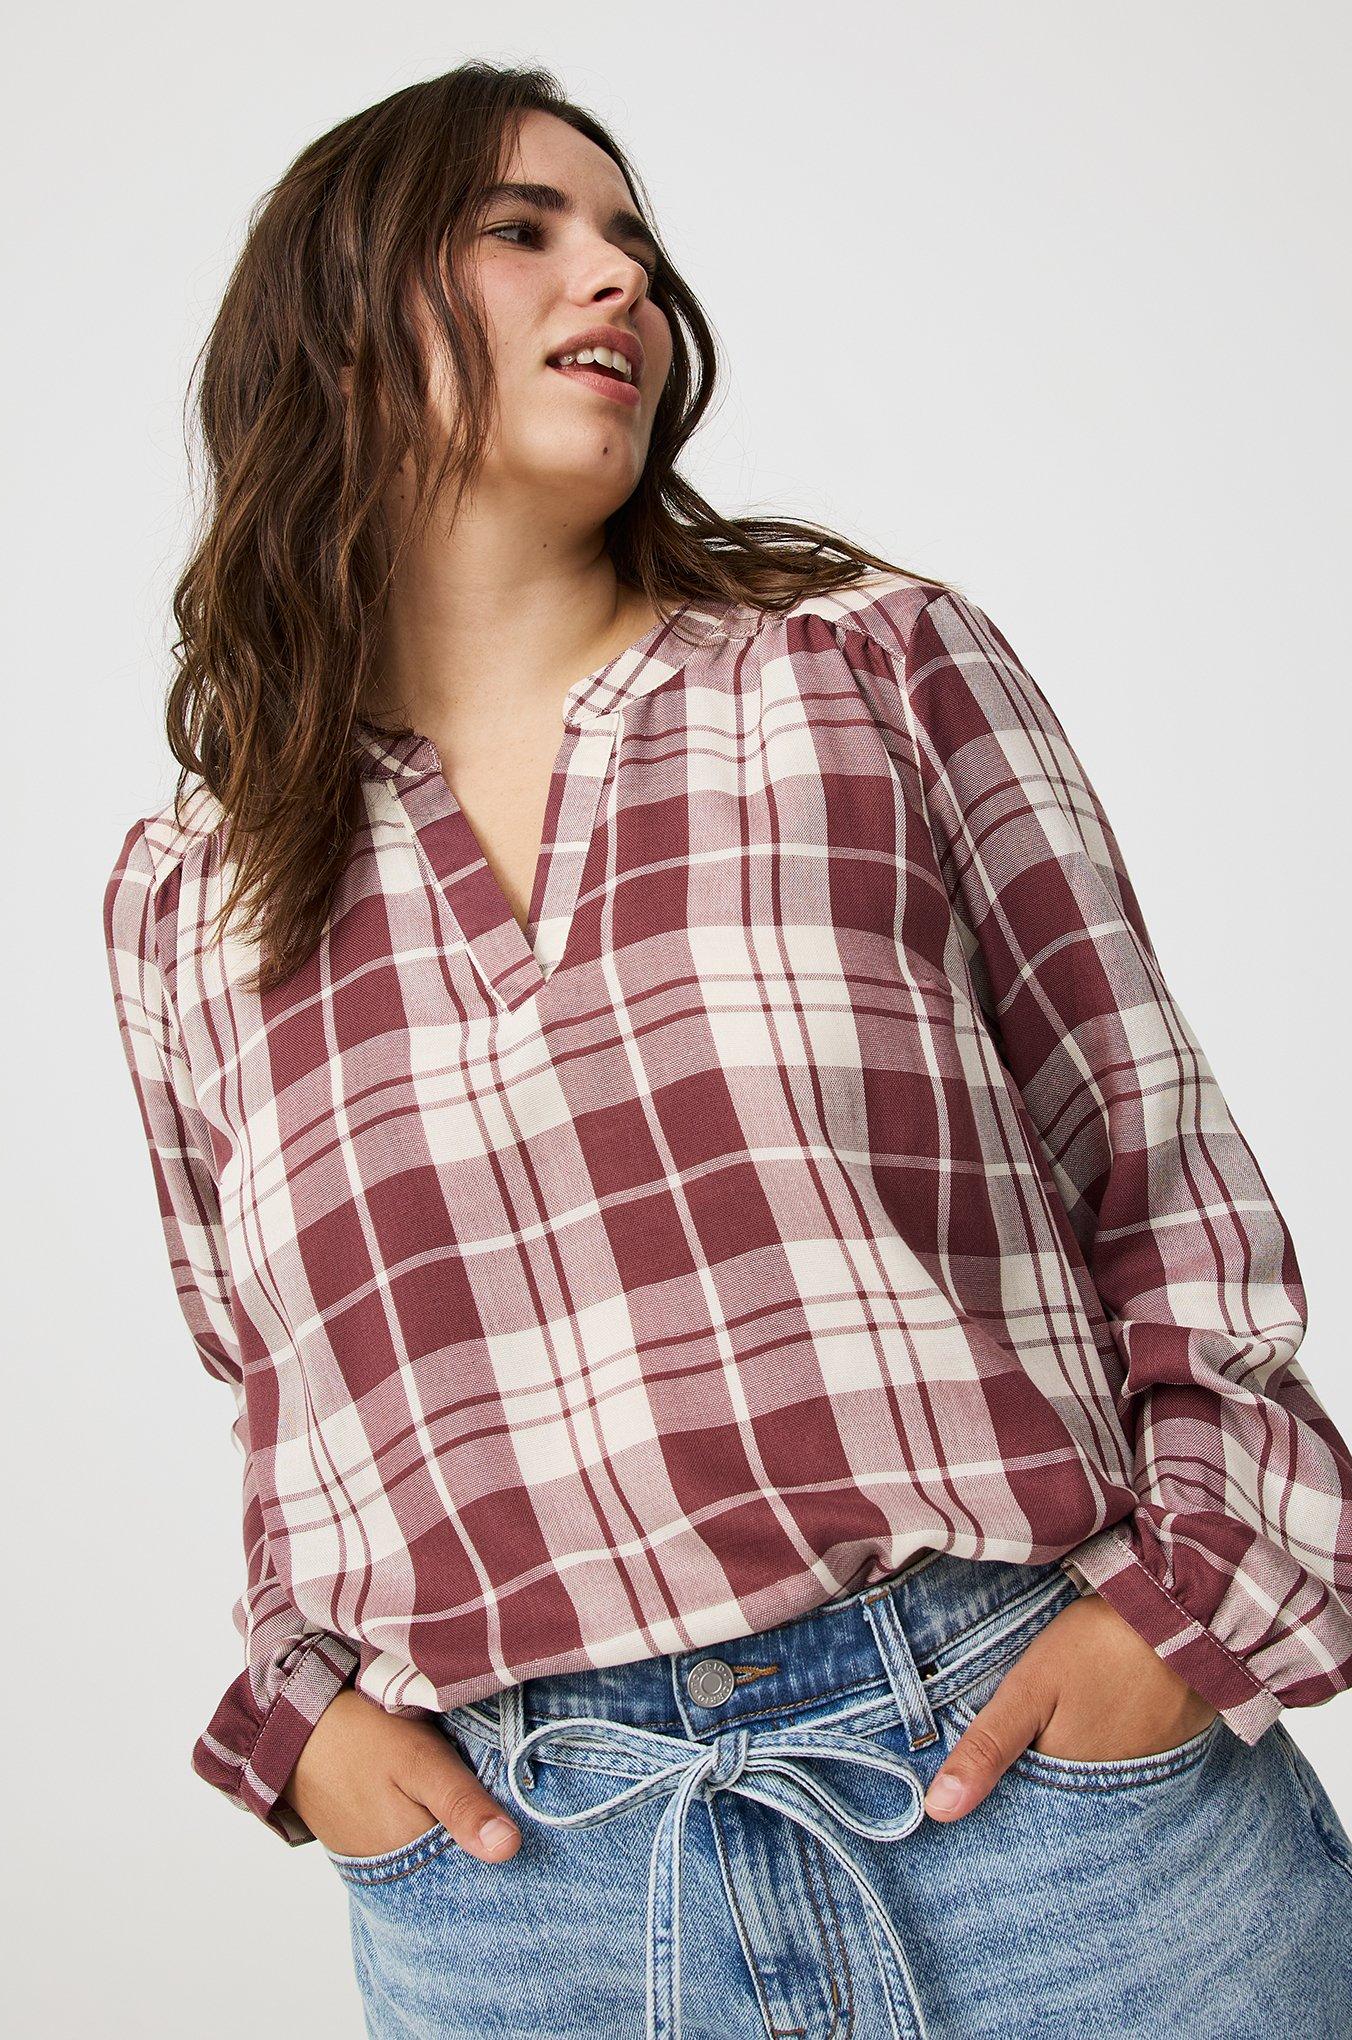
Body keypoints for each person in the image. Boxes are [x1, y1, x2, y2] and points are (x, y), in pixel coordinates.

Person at [103, 59, 1352, 2040]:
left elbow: (1158, 1174)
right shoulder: (193, 890)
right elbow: (274, 1394)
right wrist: (305, 1724)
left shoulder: (868, 667)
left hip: (1047, 1811)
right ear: (330, 323)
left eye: (630, 243)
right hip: (524, 1900)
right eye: (520, 230)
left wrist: (1182, 1613)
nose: (616, 278)